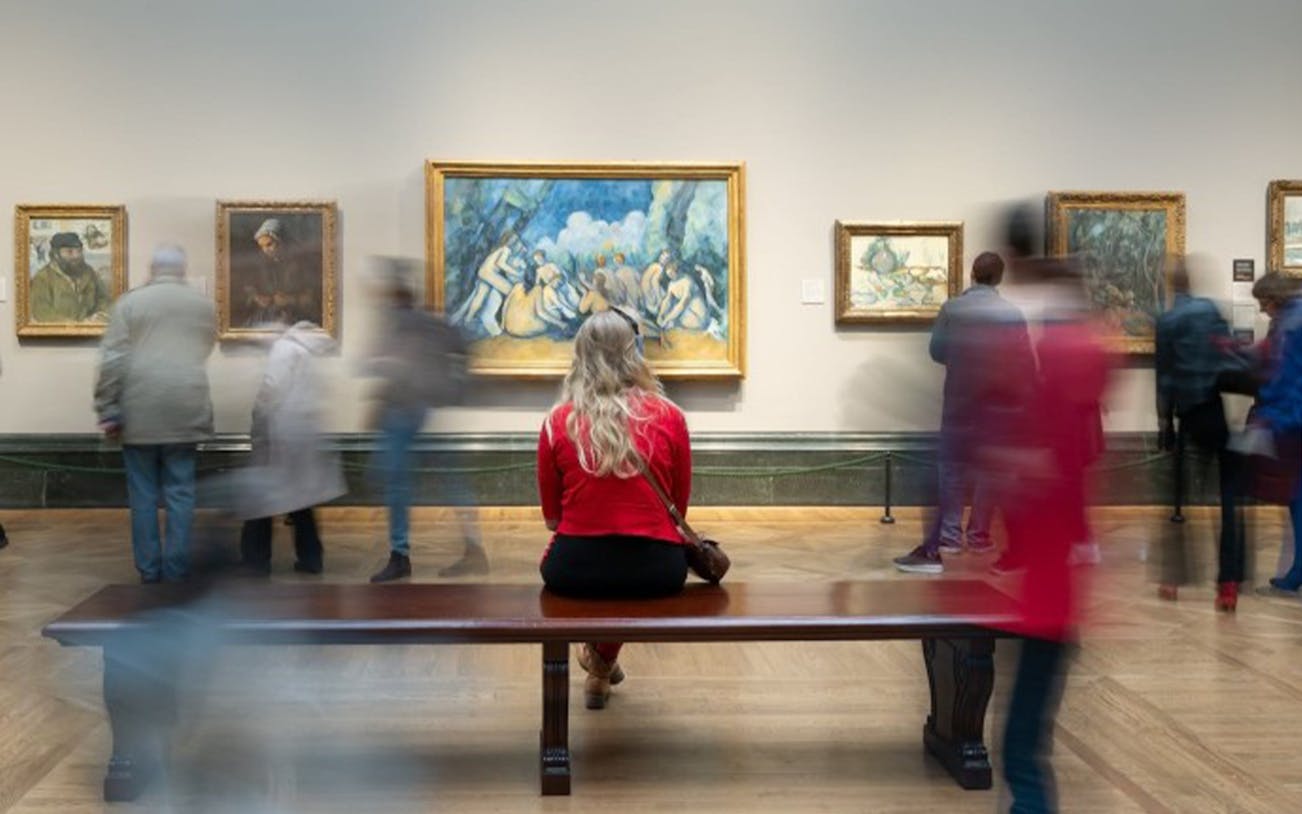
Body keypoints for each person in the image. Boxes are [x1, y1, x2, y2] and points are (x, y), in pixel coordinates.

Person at [992, 259, 1110, 814]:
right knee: (1024, 739)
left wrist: (1014, 460)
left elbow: (1051, 470)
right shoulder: (1078, 365)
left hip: (1047, 595)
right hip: (1051, 590)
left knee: (1021, 744)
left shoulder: (1060, 363)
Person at [537, 310, 692, 709]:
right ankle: (602, 664)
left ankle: (599, 662)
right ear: (633, 353)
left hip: (573, 570)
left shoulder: (557, 422)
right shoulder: (671, 416)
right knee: (625, 575)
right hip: (658, 570)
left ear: (580, 355)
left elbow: (553, 519)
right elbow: (678, 511)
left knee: (597, 569)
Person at [894, 251, 1033, 573]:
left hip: (959, 400)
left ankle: (950, 536)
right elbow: (1024, 360)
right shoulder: (1012, 313)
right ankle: (979, 535)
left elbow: (936, 351)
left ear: (973, 273)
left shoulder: (952, 309)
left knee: (952, 470)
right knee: (990, 472)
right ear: (999, 278)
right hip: (998, 406)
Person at [94, 245, 217, 583]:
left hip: (140, 410)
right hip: (186, 408)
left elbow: (113, 359)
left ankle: (149, 570)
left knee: (143, 496)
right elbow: (204, 347)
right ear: (182, 269)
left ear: (153, 268)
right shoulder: (202, 305)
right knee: (181, 494)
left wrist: (107, 406)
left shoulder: (130, 303)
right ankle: (177, 569)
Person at [364, 265, 486, 582]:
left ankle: (400, 555)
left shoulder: (401, 325)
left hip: (407, 414)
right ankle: (473, 550)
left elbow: (381, 365)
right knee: (449, 484)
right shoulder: (431, 324)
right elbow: (463, 349)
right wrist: (454, 390)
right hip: (427, 413)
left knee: (398, 485)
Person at [1154, 258, 1246, 610]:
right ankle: (1228, 583)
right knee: (1227, 501)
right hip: (1215, 412)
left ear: (1170, 284)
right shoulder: (1210, 311)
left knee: (1178, 501)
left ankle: (1172, 580)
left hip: (1188, 415)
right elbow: (1230, 355)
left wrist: (1165, 424)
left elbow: (1164, 377)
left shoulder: (1167, 321)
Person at [236, 321, 346, 575]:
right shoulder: (305, 352)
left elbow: (271, 387)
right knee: (300, 501)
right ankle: (311, 558)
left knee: (261, 499)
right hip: (301, 436)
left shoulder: (282, 349)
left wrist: (257, 418)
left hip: (279, 434)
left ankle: (255, 560)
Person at [1251, 272, 1302, 597]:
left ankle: (1297, 572)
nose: (1262, 309)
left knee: (1298, 498)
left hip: (1295, 422)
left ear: (1274, 299)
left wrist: (1270, 414)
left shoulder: (1291, 324)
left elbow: (1289, 380)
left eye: (1263, 302)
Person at [240, 219, 317, 327]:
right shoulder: (263, 263)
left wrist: (290, 299)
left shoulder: (301, 263)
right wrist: (257, 297)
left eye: (269, 244)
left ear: (282, 241)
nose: (265, 250)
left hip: (297, 317)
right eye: (262, 246)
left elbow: (312, 298)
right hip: (270, 315)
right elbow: (249, 287)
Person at [30, 231, 112, 323]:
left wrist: (99, 315)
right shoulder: (43, 278)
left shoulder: (89, 272)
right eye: (69, 252)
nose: (76, 256)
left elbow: (103, 299)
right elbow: (42, 312)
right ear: (56, 255)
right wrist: (75, 325)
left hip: (90, 328)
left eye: (79, 251)